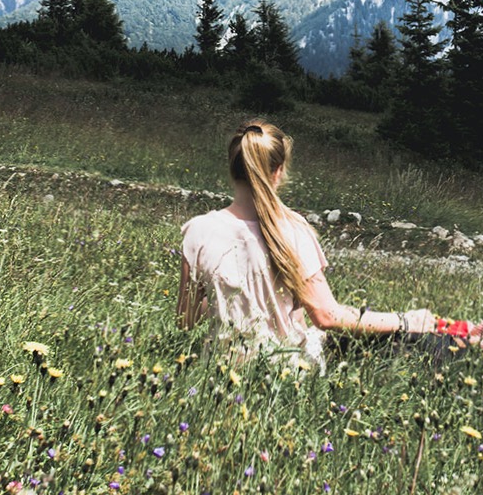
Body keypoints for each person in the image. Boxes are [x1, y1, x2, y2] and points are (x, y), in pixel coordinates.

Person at [177, 119, 441, 369]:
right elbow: (327, 316)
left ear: (232, 166)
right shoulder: (293, 229)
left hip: (222, 372)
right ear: (278, 171)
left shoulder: (198, 230)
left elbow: (186, 320)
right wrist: (406, 320)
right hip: (288, 374)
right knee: (384, 341)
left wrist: (226, 292)